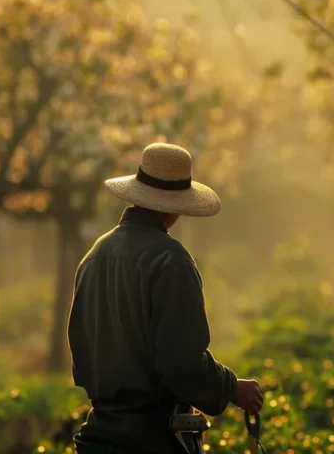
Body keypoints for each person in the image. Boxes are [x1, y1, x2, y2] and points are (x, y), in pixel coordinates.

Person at [67, 142, 263, 454]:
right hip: (153, 441)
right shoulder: (171, 260)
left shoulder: (94, 256)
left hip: (98, 438)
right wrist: (230, 387)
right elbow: (180, 362)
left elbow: (82, 358)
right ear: (173, 209)